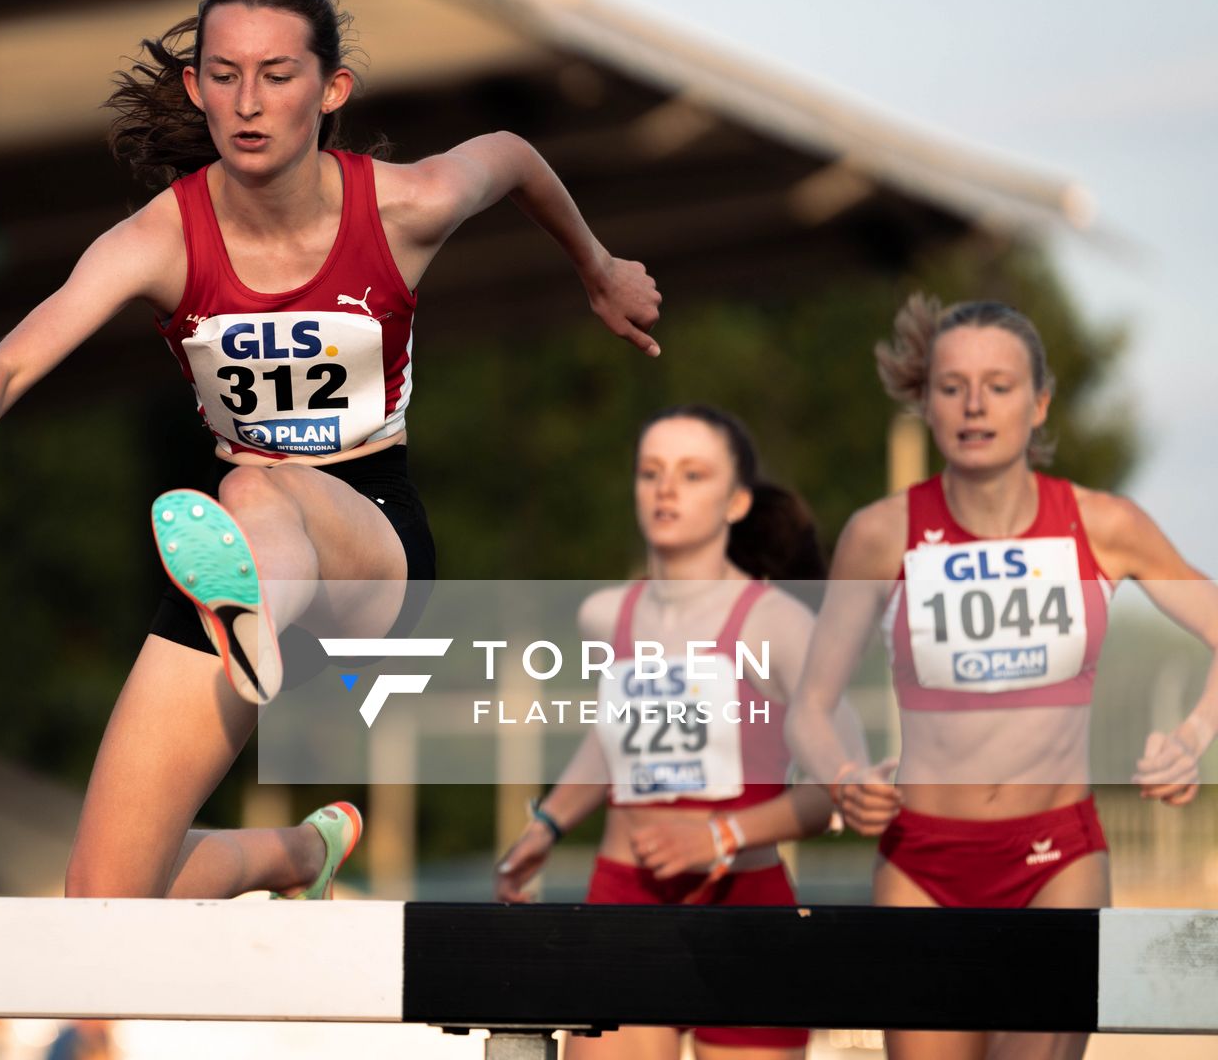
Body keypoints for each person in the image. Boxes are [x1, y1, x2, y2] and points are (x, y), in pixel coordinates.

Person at [0, 0, 663, 899]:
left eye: (278, 76)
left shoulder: (405, 206)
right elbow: (9, 362)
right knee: (100, 902)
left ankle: (253, 614)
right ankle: (294, 854)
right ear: (196, 88)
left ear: (330, 92)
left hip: (371, 545)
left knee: (251, 487)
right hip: (232, 574)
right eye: (225, 75)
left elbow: (514, 153)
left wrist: (598, 269)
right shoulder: (157, 241)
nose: (249, 103)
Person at [787, 296, 1218, 1060]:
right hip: (922, 864)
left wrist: (1192, 737)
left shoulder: (1102, 524)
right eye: (952, 386)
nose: (975, 405)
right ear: (925, 400)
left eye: (999, 384)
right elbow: (809, 711)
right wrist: (842, 775)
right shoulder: (881, 534)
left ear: (1040, 400)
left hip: (1058, 861)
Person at [496, 406, 846, 1060]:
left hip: (745, 907)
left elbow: (841, 786)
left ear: (736, 500)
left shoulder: (780, 629)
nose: (665, 489)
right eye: (650, 472)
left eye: (692, 474)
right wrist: (546, 826)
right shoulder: (606, 617)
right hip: (625, 901)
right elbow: (612, 738)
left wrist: (720, 833)